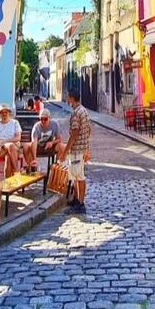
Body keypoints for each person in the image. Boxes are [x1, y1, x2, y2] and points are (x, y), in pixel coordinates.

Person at [64, 87, 91, 215]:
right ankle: (76, 200)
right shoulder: (84, 110)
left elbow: (74, 134)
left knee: (79, 177)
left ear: (71, 98)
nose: (67, 98)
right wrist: (87, 147)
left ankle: (80, 204)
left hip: (77, 150)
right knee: (75, 176)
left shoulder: (76, 114)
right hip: (82, 148)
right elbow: (88, 130)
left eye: (68, 96)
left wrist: (65, 151)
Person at [0, 103, 22, 177]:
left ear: (9, 112)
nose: (4, 114)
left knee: (9, 156)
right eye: (2, 112)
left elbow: (18, 138)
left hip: (15, 148)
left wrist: (5, 141)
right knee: (10, 147)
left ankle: (8, 182)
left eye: (6, 112)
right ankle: (17, 172)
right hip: (1, 149)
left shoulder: (15, 123)